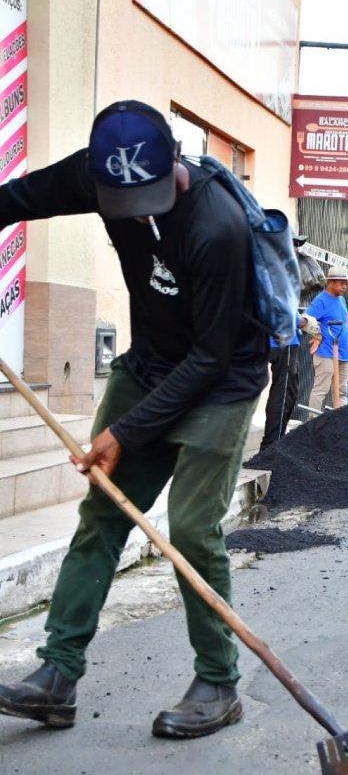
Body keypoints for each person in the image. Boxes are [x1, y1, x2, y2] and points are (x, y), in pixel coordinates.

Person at [0, 99, 273, 739]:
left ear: (175, 163)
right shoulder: (100, 175)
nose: (141, 211)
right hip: (151, 365)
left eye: (151, 195)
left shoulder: (217, 224)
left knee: (192, 527)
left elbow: (208, 357)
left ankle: (218, 679)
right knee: (102, 512)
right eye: (125, 202)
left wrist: (123, 432)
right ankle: (57, 675)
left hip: (221, 380)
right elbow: (14, 199)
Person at [258, 234, 322, 450]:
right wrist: (302, 320)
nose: (295, 249)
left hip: (279, 339)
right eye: (292, 244)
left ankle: (276, 442)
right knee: (282, 394)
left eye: (297, 245)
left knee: (288, 392)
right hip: (280, 339)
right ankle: (271, 447)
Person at [307, 266, 348, 411]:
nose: (345, 286)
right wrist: (316, 333)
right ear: (331, 282)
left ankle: (341, 423)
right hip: (326, 353)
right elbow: (306, 319)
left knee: (342, 392)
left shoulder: (342, 300)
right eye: (341, 283)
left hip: (343, 354)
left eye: (346, 283)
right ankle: (312, 423)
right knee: (321, 390)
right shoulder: (321, 301)